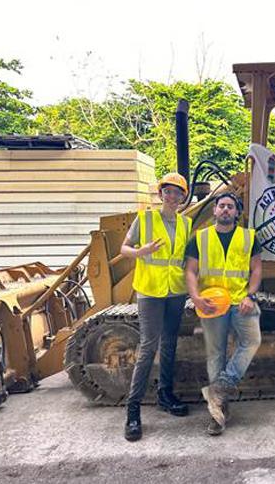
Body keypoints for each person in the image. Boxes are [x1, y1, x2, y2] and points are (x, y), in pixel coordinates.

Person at [120, 172, 192, 442]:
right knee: (148, 347)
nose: (172, 196)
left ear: (183, 197)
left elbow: (185, 258)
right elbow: (124, 248)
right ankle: (133, 409)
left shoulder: (185, 223)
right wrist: (140, 252)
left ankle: (165, 394)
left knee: (170, 343)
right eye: (168, 191)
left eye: (177, 192)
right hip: (150, 291)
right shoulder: (146, 219)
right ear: (161, 194)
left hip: (175, 291)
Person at [184, 192, 262, 436]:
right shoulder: (201, 238)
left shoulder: (248, 237)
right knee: (215, 353)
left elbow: (257, 268)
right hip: (212, 302)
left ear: (237, 212)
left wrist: (251, 295)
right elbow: (190, 271)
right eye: (222, 206)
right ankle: (218, 412)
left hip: (241, 301)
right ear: (215, 211)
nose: (226, 210)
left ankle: (220, 387)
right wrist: (195, 297)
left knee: (252, 340)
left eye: (230, 207)